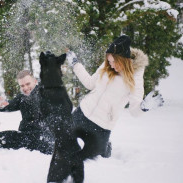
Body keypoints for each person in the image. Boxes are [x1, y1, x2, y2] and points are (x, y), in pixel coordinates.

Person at [47, 35, 163, 182]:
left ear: (123, 59)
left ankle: (105, 148)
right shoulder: (107, 66)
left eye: (114, 62)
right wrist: (76, 64)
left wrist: (144, 107)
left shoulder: (135, 77)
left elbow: (134, 110)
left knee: (95, 157)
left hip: (101, 126)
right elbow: (90, 83)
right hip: (82, 113)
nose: (111, 65)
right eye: (109, 61)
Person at [0, 70, 54, 154]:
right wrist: (2, 105)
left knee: (45, 143)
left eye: (28, 84)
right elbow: (9, 105)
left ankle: (33, 147)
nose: (25, 88)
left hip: (43, 136)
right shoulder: (21, 98)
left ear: (35, 81)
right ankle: (27, 146)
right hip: (24, 135)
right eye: (22, 85)